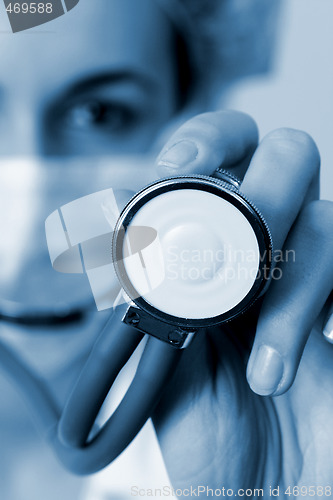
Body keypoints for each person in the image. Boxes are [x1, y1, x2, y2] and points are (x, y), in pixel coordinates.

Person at [0, 0, 332, 498]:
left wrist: (280, 489)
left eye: (99, 112)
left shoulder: (244, 416)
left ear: (191, 105)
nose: (26, 219)